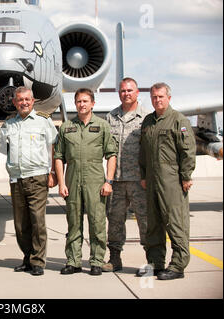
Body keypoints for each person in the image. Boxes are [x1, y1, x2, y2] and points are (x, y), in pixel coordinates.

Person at [54, 88, 117, 276]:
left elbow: (111, 155)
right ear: (75, 104)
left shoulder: (103, 126)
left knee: (97, 223)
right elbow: (58, 157)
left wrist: (109, 182)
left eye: (85, 101)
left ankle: (97, 261)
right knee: (73, 223)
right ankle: (73, 261)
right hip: (73, 181)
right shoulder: (66, 127)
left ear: (93, 103)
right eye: (79, 101)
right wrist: (61, 183)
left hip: (95, 181)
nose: (82, 104)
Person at [138, 82, 196, 280]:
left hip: (171, 180)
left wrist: (186, 176)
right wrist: (144, 175)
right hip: (152, 180)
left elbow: (188, 151)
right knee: (153, 223)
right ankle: (155, 263)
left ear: (168, 98)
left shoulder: (178, 120)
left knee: (175, 222)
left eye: (161, 96)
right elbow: (143, 152)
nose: (157, 100)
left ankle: (178, 266)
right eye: (154, 97)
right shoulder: (148, 121)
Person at [0, 87, 58, 276]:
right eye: (20, 100)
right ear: (15, 103)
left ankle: (38, 261)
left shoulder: (43, 121)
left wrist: (52, 172)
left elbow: (54, 146)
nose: (24, 103)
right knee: (20, 224)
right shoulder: (9, 123)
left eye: (27, 99)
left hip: (37, 177)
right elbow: (1, 147)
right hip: (16, 178)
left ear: (33, 101)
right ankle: (27, 258)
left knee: (37, 221)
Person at [102, 78, 150, 272]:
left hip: (140, 180)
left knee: (145, 222)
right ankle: (114, 259)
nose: (126, 94)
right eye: (123, 91)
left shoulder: (146, 117)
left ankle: (152, 259)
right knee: (114, 221)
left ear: (137, 93)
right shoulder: (110, 117)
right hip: (117, 181)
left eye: (130, 90)